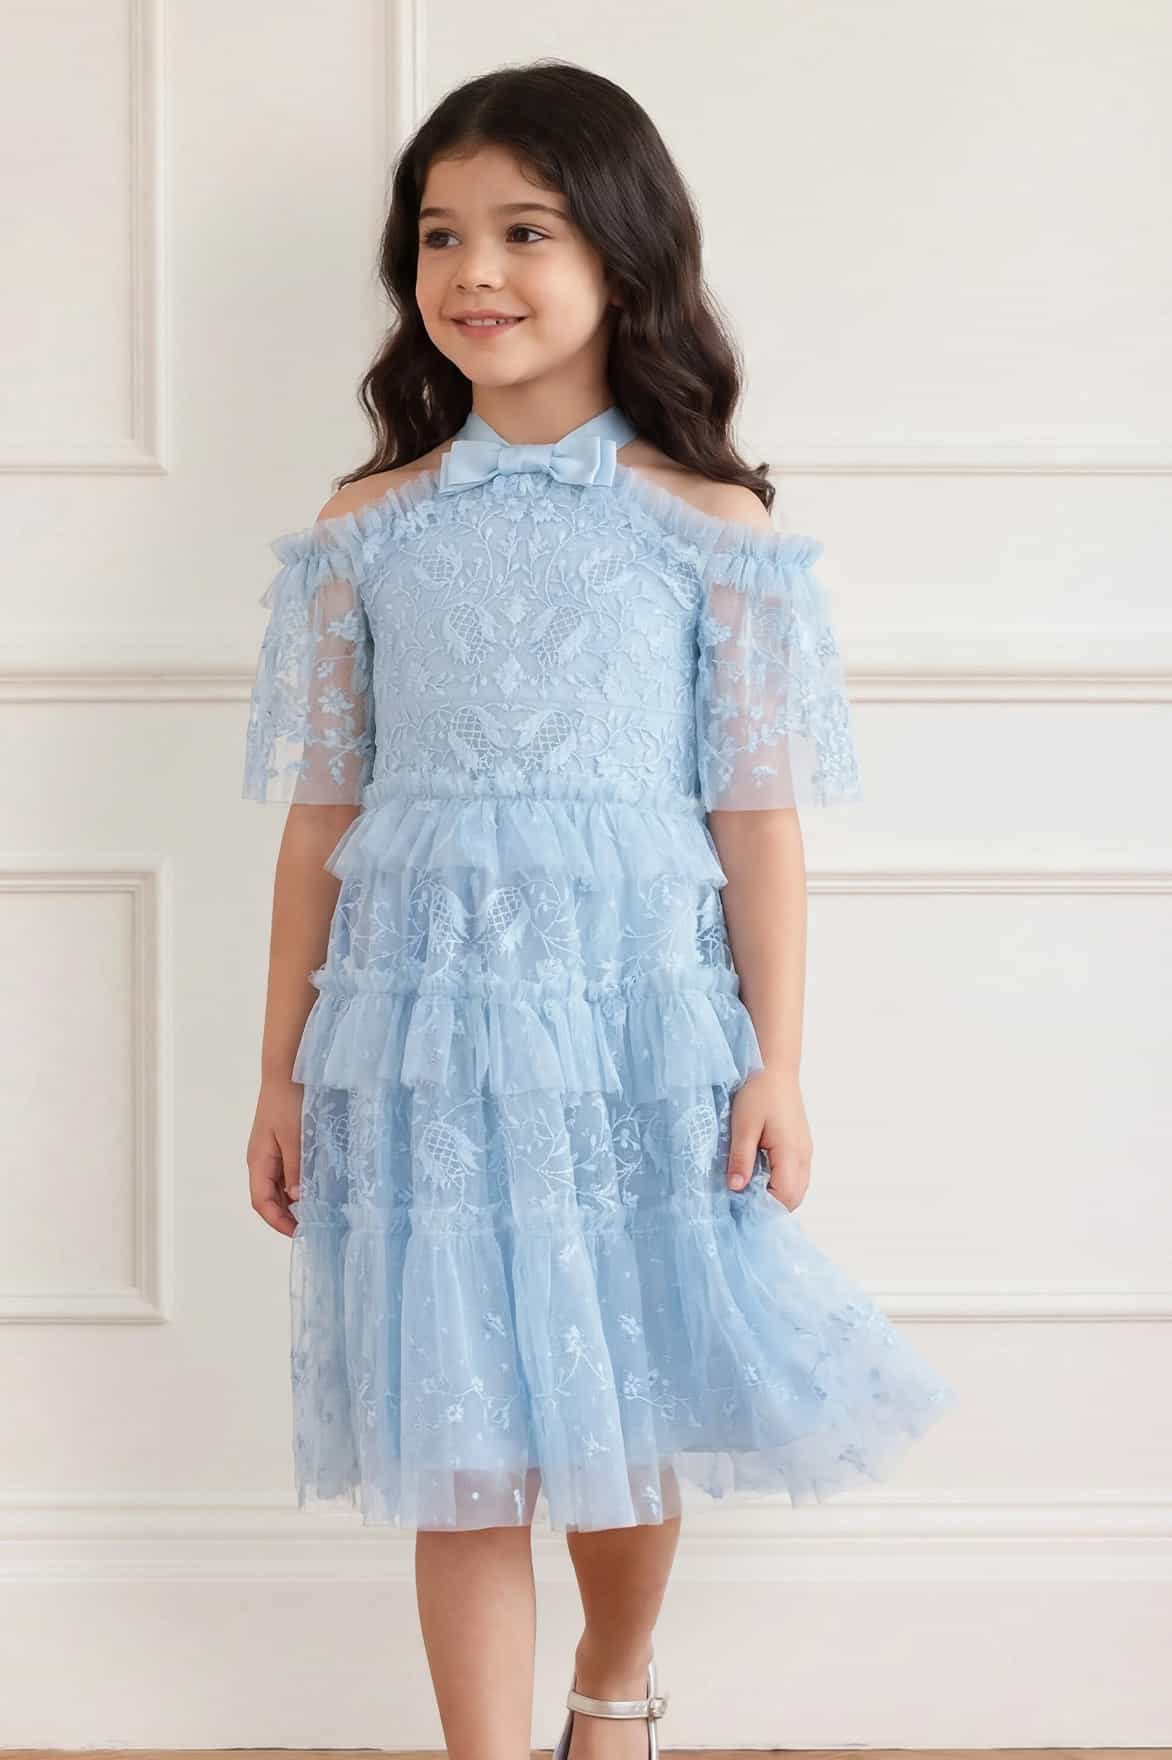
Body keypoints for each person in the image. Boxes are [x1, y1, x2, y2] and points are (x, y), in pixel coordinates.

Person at [242, 58, 958, 1760]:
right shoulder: (363, 533)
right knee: (462, 1436)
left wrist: (777, 1063)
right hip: (418, 1041)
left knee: (621, 1400)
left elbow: (757, 824)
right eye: (439, 236)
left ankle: (613, 1689)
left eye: (524, 231)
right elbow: (320, 820)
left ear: (622, 259)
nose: (473, 272)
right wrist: (279, 1074)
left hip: (635, 1026)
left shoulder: (715, 532)